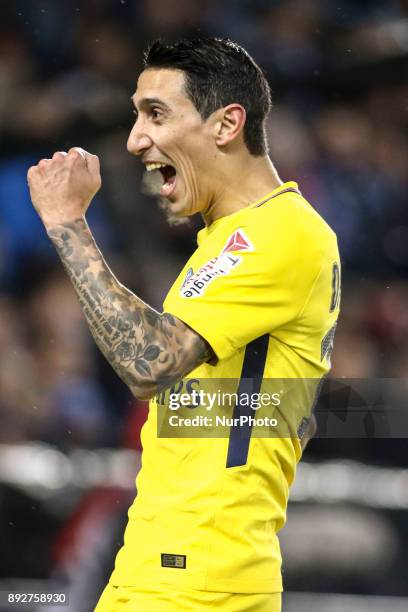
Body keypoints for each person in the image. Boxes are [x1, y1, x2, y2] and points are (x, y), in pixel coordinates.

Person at [28, 37, 340, 612]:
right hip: (158, 568)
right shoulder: (225, 240)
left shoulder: (280, 232)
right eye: (135, 114)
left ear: (226, 125)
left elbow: (151, 361)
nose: (134, 139)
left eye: (155, 113)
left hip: (201, 580)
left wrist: (67, 224)